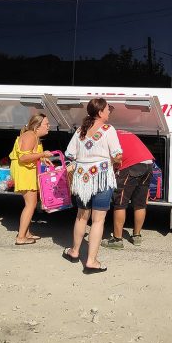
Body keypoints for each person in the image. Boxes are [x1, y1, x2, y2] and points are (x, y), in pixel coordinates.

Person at [61, 98, 122, 274]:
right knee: (98, 220)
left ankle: (74, 251)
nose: (109, 111)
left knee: (81, 217)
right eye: (108, 109)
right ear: (100, 112)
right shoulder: (108, 130)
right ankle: (91, 261)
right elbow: (118, 155)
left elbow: (69, 154)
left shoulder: (80, 130)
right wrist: (113, 160)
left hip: (82, 179)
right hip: (101, 177)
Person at [102, 130, 154, 249]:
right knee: (140, 204)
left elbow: (112, 159)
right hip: (148, 164)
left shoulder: (108, 136)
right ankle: (137, 236)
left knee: (120, 203)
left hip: (131, 165)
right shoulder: (125, 133)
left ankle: (117, 240)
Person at [10, 113, 53, 245]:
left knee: (31, 204)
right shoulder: (30, 136)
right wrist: (42, 154)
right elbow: (23, 157)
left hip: (27, 171)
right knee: (31, 204)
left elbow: (31, 154)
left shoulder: (34, 136)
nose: (49, 126)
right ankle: (21, 237)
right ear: (37, 126)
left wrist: (42, 158)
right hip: (25, 172)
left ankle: (26, 233)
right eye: (46, 124)